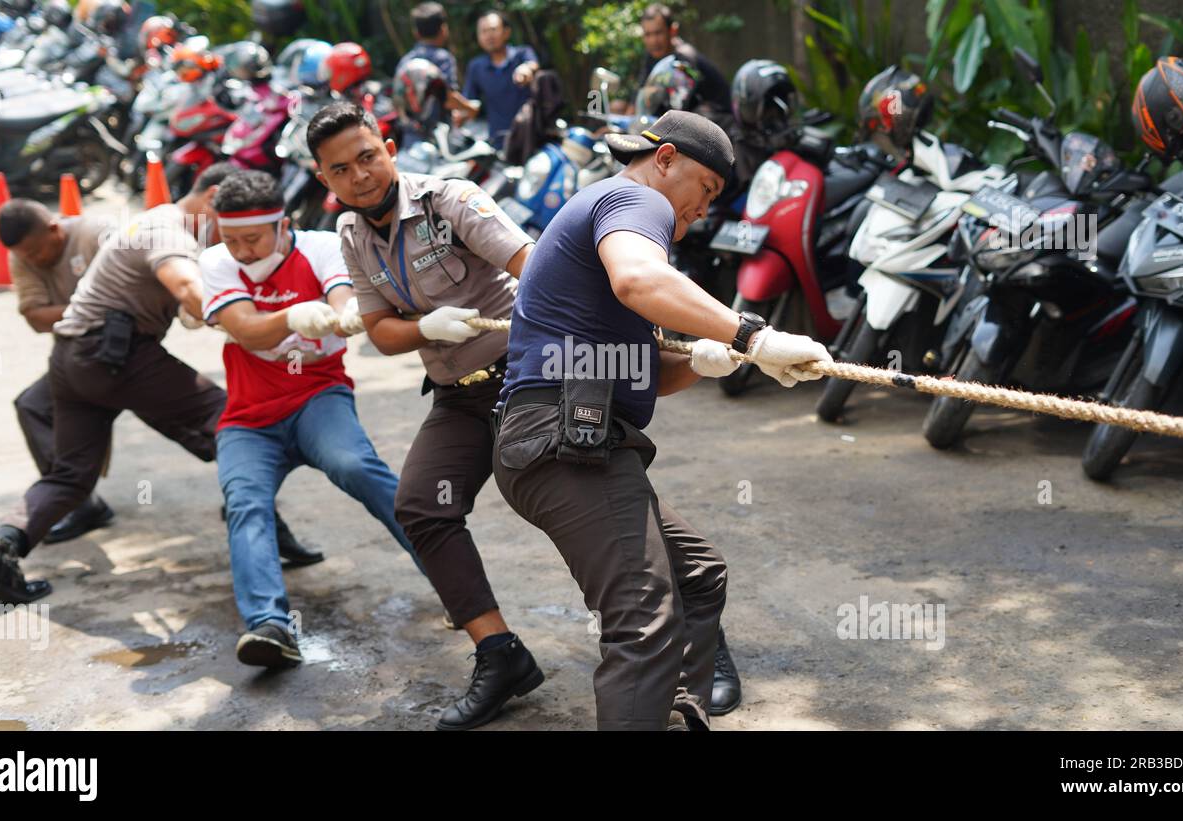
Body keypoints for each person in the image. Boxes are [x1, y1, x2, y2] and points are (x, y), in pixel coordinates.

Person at [492, 109, 833, 730]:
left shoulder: (618, 215)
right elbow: (639, 280)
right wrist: (751, 333)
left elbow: (644, 370)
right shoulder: (633, 199)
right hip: (557, 440)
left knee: (697, 576)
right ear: (667, 158)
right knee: (642, 615)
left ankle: (673, 713)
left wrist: (707, 362)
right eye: (706, 189)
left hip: (574, 439)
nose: (704, 209)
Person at [0, 165, 312, 605]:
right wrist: (259, 328)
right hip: (116, 356)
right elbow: (187, 287)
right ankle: (255, 521)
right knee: (237, 423)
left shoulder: (156, 229)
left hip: (71, 361)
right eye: (235, 220)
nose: (241, 238)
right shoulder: (168, 230)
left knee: (70, 475)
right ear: (213, 199)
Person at [309, 101, 542, 730]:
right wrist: (423, 329)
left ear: (387, 146)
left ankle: (693, 640)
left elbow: (536, 269)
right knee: (421, 507)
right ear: (322, 179)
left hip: (524, 379)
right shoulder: (352, 235)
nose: (360, 175)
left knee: (580, 507)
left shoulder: (450, 200)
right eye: (342, 169)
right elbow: (379, 332)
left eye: (367, 156)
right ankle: (501, 654)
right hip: (456, 394)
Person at [199, 169, 422, 668]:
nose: (241, 250)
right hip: (249, 418)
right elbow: (246, 330)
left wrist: (345, 313)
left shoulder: (323, 245)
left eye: (252, 238)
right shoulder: (215, 261)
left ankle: (454, 584)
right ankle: (269, 626)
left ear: (283, 225)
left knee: (359, 468)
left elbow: (345, 298)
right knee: (244, 502)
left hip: (318, 396)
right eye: (230, 239)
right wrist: (295, 315)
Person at [0, 199, 115, 544]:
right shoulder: (21, 255)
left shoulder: (95, 235)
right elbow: (34, 316)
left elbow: (132, 296)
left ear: (54, 228)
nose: (32, 260)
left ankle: (248, 494)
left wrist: (68, 312)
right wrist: (96, 308)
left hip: (131, 353)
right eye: (25, 256)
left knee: (190, 417)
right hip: (76, 360)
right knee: (32, 405)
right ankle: (79, 503)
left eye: (36, 251)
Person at [458, 9, 540, 148]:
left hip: (533, 136)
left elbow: (532, 65)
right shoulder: (476, 67)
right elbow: (470, 102)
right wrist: (460, 113)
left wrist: (526, 69)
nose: (489, 35)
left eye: (493, 29)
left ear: (506, 32)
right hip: (500, 142)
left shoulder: (522, 54)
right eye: (483, 31)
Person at [636, 3, 731, 118]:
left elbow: (678, 108)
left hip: (718, 119)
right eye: (648, 34)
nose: (653, 41)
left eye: (658, 33)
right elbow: (641, 96)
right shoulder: (651, 57)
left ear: (673, 31)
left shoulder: (684, 58)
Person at [395, 2, 477, 122]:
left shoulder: (406, 60)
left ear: (416, 33)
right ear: (443, 29)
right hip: (437, 131)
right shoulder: (443, 58)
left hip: (411, 131)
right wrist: (470, 108)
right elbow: (448, 98)